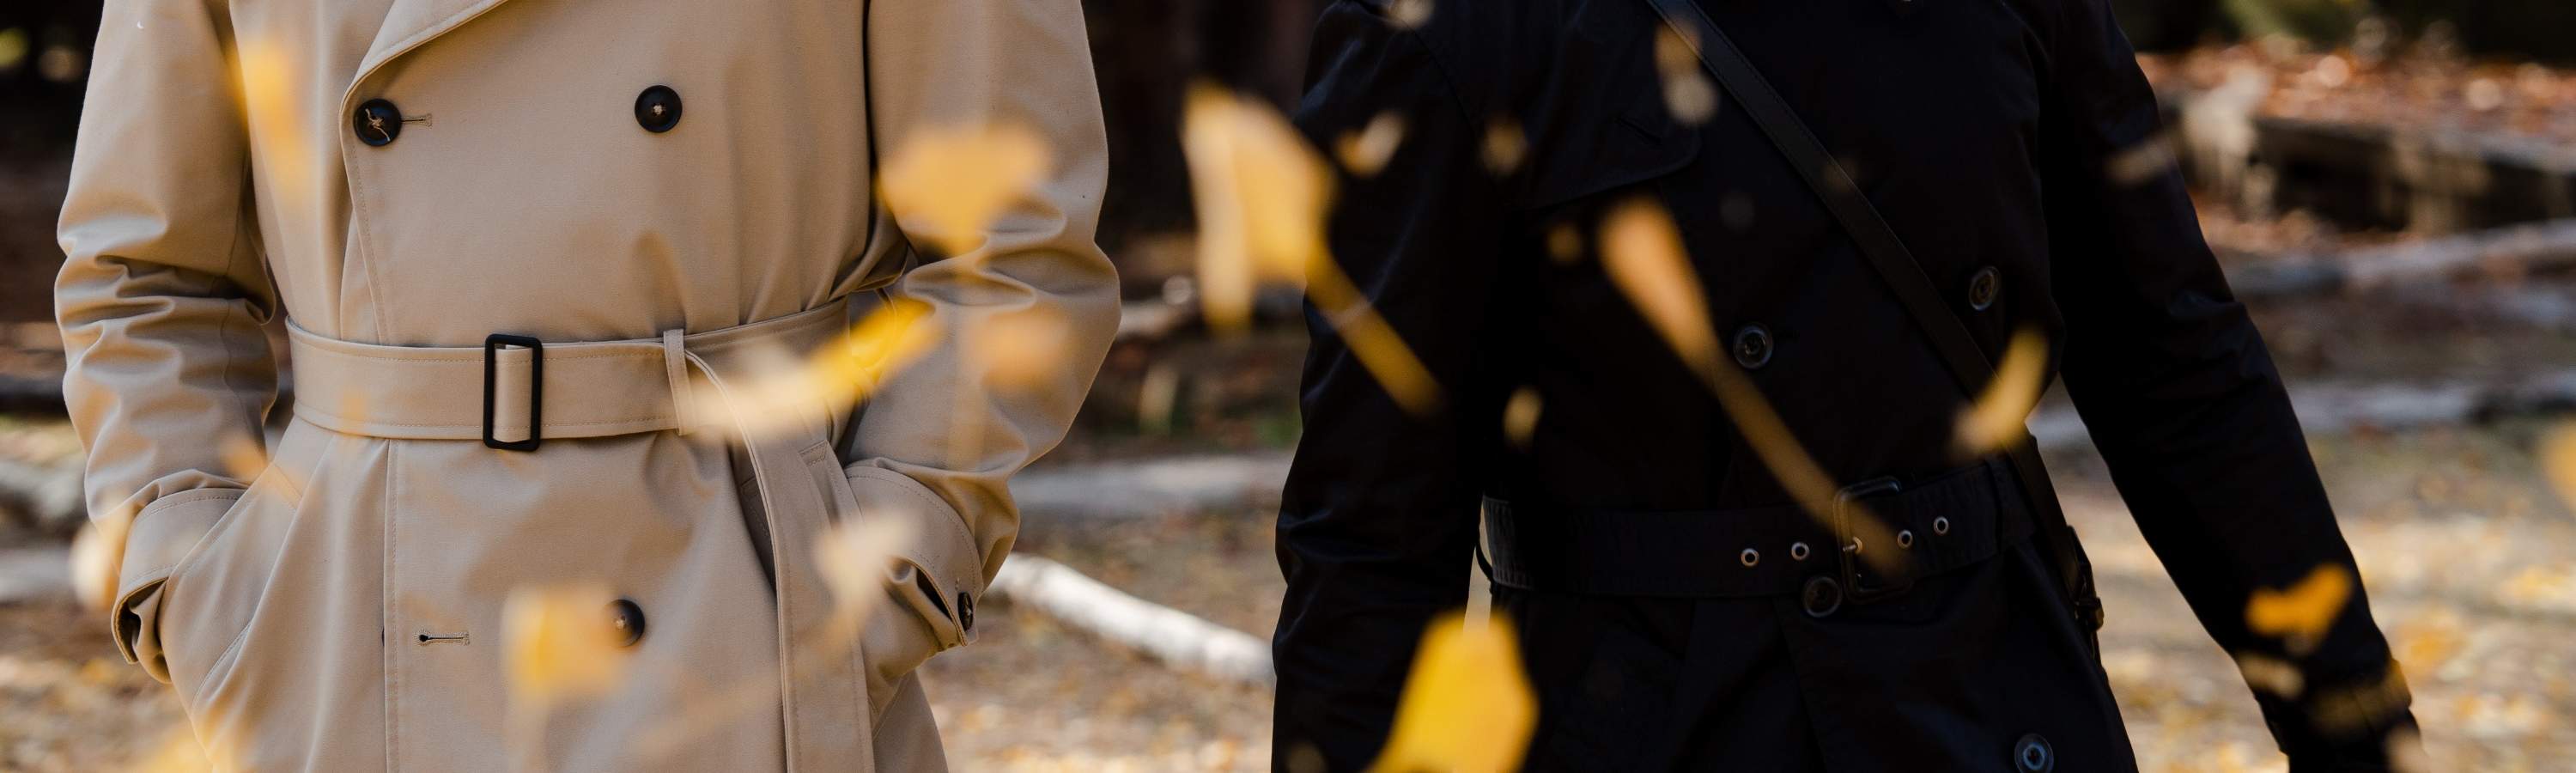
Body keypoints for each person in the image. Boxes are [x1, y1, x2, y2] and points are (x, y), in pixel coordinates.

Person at [1273, 0, 2415, 770]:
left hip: (1996, 694)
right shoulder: (1445, 27)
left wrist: (2356, 724)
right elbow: (1371, 530)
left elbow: (2177, 365)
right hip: (1652, 717)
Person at [55, 0, 1115, 770]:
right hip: (345, 631)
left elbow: (1011, 254)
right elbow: (145, 276)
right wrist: (191, 572)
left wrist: (892, 565)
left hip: (736, 617)